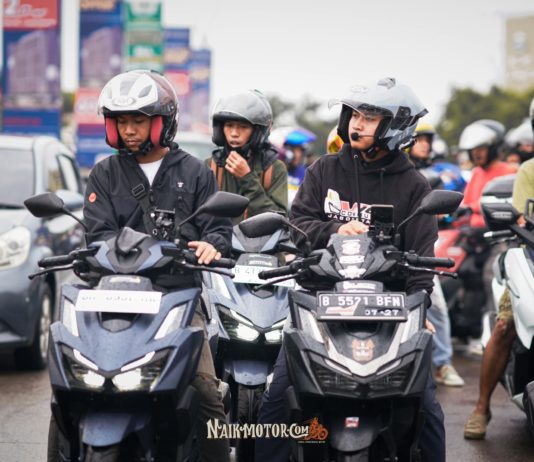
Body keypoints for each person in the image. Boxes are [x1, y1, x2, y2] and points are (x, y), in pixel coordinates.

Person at [255, 77, 446, 462]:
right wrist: (334, 230)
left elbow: (422, 257)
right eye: (355, 115)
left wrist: (421, 306)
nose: (357, 124)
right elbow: (298, 225)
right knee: (276, 399)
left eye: (370, 117)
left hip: (390, 310)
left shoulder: (414, 185)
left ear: (396, 126)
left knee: (426, 405)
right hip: (320, 302)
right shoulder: (323, 170)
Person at [83, 69, 232, 462]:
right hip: (115, 298)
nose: (129, 130)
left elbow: (218, 229)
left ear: (163, 122)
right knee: (81, 382)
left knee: (205, 391)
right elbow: (96, 235)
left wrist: (212, 245)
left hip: (177, 297)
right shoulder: (104, 173)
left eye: (138, 120)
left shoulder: (195, 172)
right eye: (121, 122)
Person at [464, 98, 534, 440]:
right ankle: (482, 407)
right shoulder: (528, 171)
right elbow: (522, 219)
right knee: (505, 324)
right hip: (531, 257)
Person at [407, 122, 465, 387]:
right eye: (419, 139)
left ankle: (442, 363)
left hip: (420, 248)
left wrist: (446, 214)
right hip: (382, 248)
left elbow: (445, 211)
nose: (425, 144)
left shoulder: (433, 174)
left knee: (436, 305)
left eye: (427, 140)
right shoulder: (393, 172)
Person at [208, 90, 288, 223]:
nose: (234, 133)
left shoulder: (274, 169)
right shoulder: (210, 167)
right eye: (229, 125)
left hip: (259, 237)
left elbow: (279, 220)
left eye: (243, 127)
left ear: (257, 131)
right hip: (216, 237)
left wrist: (247, 178)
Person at [460, 119, 517, 228]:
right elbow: (466, 203)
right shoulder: (476, 172)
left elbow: (501, 202)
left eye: (481, 148)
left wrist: (470, 208)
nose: (476, 153)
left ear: (493, 148)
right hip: (473, 230)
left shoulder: (510, 171)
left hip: (497, 230)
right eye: (473, 149)